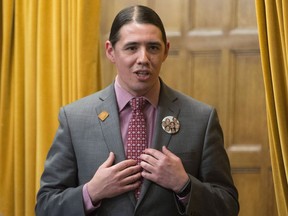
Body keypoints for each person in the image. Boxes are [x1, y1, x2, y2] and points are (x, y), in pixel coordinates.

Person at [35, 5, 239, 216]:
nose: (143, 58)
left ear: (166, 51)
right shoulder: (74, 118)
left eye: (153, 47)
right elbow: (46, 206)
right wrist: (92, 192)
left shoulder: (201, 119)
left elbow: (228, 205)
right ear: (110, 51)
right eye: (131, 48)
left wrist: (184, 185)